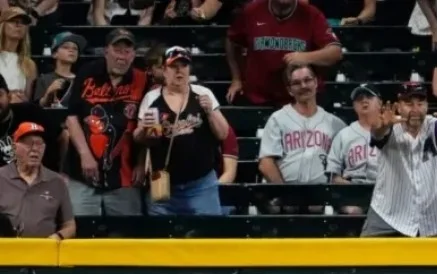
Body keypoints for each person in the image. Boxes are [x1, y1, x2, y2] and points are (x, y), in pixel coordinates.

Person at [135, 46, 229, 215]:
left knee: (207, 236)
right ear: (164, 70)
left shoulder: (202, 93)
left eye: (184, 65)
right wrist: (144, 130)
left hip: (201, 184)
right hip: (163, 184)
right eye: (173, 66)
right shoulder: (152, 98)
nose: (179, 71)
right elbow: (142, 139)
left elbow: (223, 133)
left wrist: (209, 112)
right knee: (162, 238)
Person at [65, 28, 148, 216]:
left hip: (125, 175)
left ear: (134, 55)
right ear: (106, 51)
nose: (122, 57)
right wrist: (85, 154)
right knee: (80, 233)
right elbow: (72, 117)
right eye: (117, 50)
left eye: (127, 52)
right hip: (83, 173)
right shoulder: (87, 73)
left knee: (126, 238)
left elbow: (146, 125)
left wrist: (142, 163)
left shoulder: (142, 79)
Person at [362, 82, 437, 237]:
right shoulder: (390, 126)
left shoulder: (434, 124)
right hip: (388, 215)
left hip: (429, 217)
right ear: (398, 107)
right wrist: (382, 126)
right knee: (366, 259)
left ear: (427, 106)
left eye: (420, 104)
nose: (415, 110)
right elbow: (378, 134)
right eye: (408, 104)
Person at [258, 64, 346, 213]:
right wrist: (286, 195)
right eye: (296, 83)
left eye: (307, 80)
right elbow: (266, 163)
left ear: (316, 83)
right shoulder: (278, 119)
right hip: (285, 199)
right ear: (289, 90)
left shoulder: (335, 124)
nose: (303, 86)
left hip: (322, 199)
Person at [226, 0, 342, 106]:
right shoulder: (251, 11)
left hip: (298, 99)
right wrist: (236, 79)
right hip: (258, 97)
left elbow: (335, 52)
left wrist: (306, 57)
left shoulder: (311, 14)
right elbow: (232, 41)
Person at [0, 121, 75, 239]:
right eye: (29, 144)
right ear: (14, 147)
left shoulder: (57, 181)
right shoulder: (1, 177)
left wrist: (57, 237)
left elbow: (70, 225)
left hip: (43, 252)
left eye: (39, 144)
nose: (35, 149)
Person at [326, 83, 381, 215]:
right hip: (352, 192)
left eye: (369, 96)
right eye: (359, 98)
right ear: (354, 106)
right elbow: (333, 176)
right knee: (353, 211)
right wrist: (353, 187)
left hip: (383, 190)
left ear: (380, 103)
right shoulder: (343, 135)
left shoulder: (391, 132)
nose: (364, 100)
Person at [33, 32, 85, 109]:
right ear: (54, 54)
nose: (71, 50)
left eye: (75, 48)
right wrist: (49, 93)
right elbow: (38, 106)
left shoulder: (82, 80)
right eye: (66, 47)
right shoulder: (44, 79)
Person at [0, 7, 37, 103]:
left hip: (17, 111)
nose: (19, 25)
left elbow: (28, 98)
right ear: (2, 25)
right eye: (14, 21)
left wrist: (22, 98)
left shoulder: (29, 64)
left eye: (23, 22)